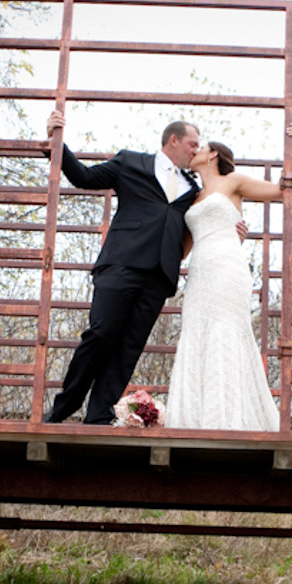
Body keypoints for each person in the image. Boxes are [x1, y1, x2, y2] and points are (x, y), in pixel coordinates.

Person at [42, 111, 243, 424]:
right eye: (192, 144)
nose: (195, 150)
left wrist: (231, 231)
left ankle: (98, 416)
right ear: (173, 140)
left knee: (128, 349)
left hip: (159, 276)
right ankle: (63, 408)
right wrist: (57, 143)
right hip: (121, 264)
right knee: (100, 333)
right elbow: (83, 177)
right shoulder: (130, 163)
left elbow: (201, 221)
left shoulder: (192, 188)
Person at [164, 127, 292, 431]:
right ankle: (192, 419)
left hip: (227, 266)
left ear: (213, 155)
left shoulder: (232, 182)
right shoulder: (193, 197)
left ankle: (229, 419)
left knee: (227, 330)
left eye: (201, 146)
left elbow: (279, 190)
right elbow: (182, 251)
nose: (194, 150)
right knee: (197, 330)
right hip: (200, 271)